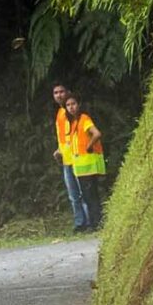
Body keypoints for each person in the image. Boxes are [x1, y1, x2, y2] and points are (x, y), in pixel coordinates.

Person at [62, 92, 106, 230]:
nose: (71, 107)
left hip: (89, 164)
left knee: (90, 195)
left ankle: (96, 224)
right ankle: (95, 222)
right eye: (68, 105)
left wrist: (89, 145)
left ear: (78, 104)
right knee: (88, 195)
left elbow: (97, 133)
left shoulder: (84, 119)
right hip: (81, 165)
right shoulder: (74, 122)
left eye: (73, 104)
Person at [52, 82, 90, 231]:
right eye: (56, 93)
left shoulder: (74, 112)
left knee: (82, 191)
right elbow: (63, 136)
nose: (59, 95)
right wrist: (59, 150)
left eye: (61, 91)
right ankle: (79, 222)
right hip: (66, 158)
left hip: (78, 156)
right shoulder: (60, 113)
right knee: (73, 194)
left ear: (67, 92)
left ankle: (88, 221)